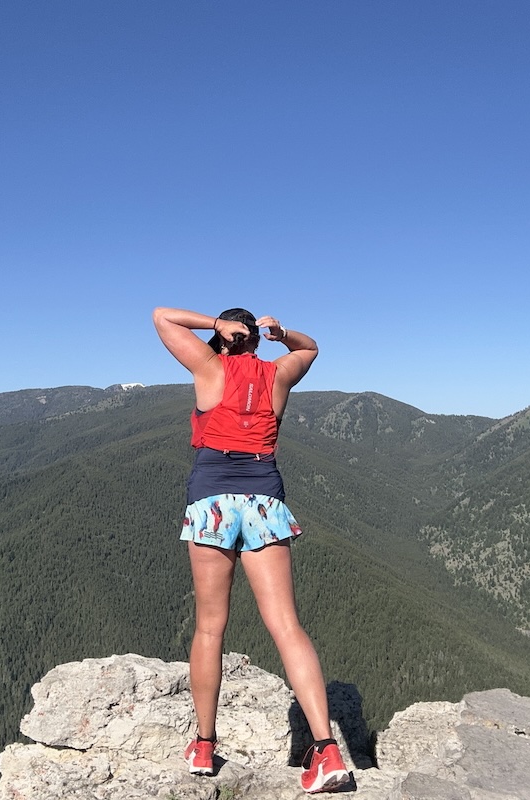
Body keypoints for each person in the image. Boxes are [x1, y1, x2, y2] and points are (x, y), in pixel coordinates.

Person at [153, 306, 351, 794]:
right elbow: (310, 348)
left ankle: (203, 745)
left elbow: (161, 317)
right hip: (264, 499)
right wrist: (283, 334)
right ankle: (326, 752)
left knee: (209, 626)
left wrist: (214, 328)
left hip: (211, 501)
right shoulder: (278, 373)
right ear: (258, 344)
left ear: (222, 338)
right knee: (286, 625)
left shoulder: (208, 366)